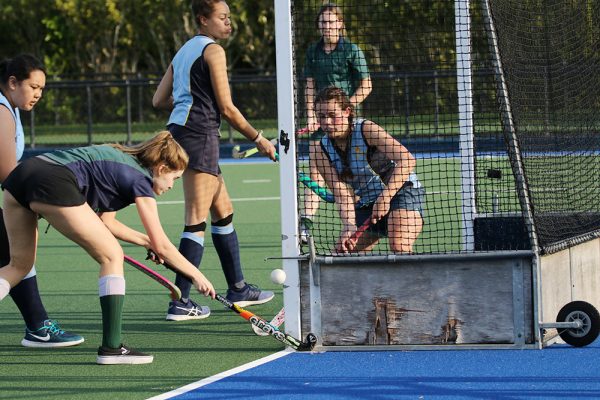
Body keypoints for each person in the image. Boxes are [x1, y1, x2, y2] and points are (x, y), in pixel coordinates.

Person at [0, 131, 216, 364]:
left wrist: (145, 241)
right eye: (174, 178)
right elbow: (163, 245)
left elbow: (107, 223)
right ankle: (112, 348)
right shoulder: (141, 180)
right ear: (161, 168)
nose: (173, 186)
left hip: (22, 175)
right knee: (112, 256)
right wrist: (196, 275)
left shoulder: (119, 160)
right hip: (55, 181)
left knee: (19, 265)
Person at [152, 0, 277, 321]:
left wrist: (187, 107)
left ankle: (238, 287)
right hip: (200, 135)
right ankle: (180, 300)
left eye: (229, 18)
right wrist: (260, 139)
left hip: (181, 132)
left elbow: (158, 99)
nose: (229, 23)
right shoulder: (214, 52)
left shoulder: (183, 51)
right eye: (222, 18)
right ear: (202, 20)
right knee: (195, 220)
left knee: (223, 211)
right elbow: (227, 108)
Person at [0, 54, 84, 347]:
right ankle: (38, 327)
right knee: (18, 257)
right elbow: (8, 175)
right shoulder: (2, 111)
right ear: (12, 83)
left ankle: (38, 325)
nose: (38, 94)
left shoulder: (11, 107)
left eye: (42, 89)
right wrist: (34, 202)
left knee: (16, 257)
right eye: (33, 86)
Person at [312, 87, 424, 253]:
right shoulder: (320, 150)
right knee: (342, 252)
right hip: (367, 203)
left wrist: (385, 198)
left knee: (399, 247)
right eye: (321, 117)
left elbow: (407, 160)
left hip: (400, 192)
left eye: (332, 115)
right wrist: (349, 225)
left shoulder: (367, 130)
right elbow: (341, 193)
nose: (326, 122)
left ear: (347, 112)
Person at [301, 3, 373, 243]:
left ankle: (358, 220)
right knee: (317, 171)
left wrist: (343, 110)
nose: (327, 27)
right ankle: (305, 224)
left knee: (350, 173)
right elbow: (310, 85)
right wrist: (313, 115)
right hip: (321, 121)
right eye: (323, 23)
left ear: (341, 24)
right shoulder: (313, 51)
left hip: (346, 124)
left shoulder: (352, 50)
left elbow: (367, 85)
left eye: (332, 22)